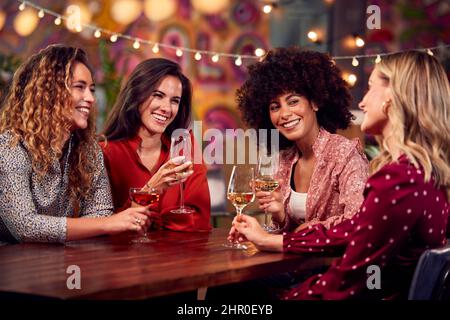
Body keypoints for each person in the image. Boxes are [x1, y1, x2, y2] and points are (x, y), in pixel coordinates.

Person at [229, 50, 450, 299]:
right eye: (274, 106)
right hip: (342, 278)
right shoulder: (423, 174)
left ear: (393, 98)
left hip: (348, 281)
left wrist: (285, 293)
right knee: (236, 277)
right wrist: (281, 221)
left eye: (369, 88)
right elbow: (357, 237)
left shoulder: (396, 179)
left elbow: (351, 273)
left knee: (234, 283)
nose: (363, 102)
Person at [0, 44, 152, 244]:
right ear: (49, 91)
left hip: (63, 261)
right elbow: (25, 226)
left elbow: (101, 211)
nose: (90, 98)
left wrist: (105, 221)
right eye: (79, 87)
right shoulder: (9, 146)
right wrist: (108, 223)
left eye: (91, 89)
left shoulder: (87, 150)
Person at [236, 47, 369, 231]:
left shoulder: (345, 155)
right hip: (297, 259)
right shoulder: (286, 160)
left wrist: (309, 229)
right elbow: (290, 234)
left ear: (315, 102)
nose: (284, 114)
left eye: (293, 101)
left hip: (338, 260)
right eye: (275, 107)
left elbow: (358, 222)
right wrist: (280, 215)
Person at [100, 58, 211, 232]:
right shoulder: (106, 152)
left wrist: (148, 221)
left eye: (174, 100)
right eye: (158, 95)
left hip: (179, 256)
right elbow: (103, 226)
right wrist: (153, 189)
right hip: (123, 258)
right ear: (137, 95)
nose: (166, 108)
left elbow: (199, 220)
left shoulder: (185, 146)